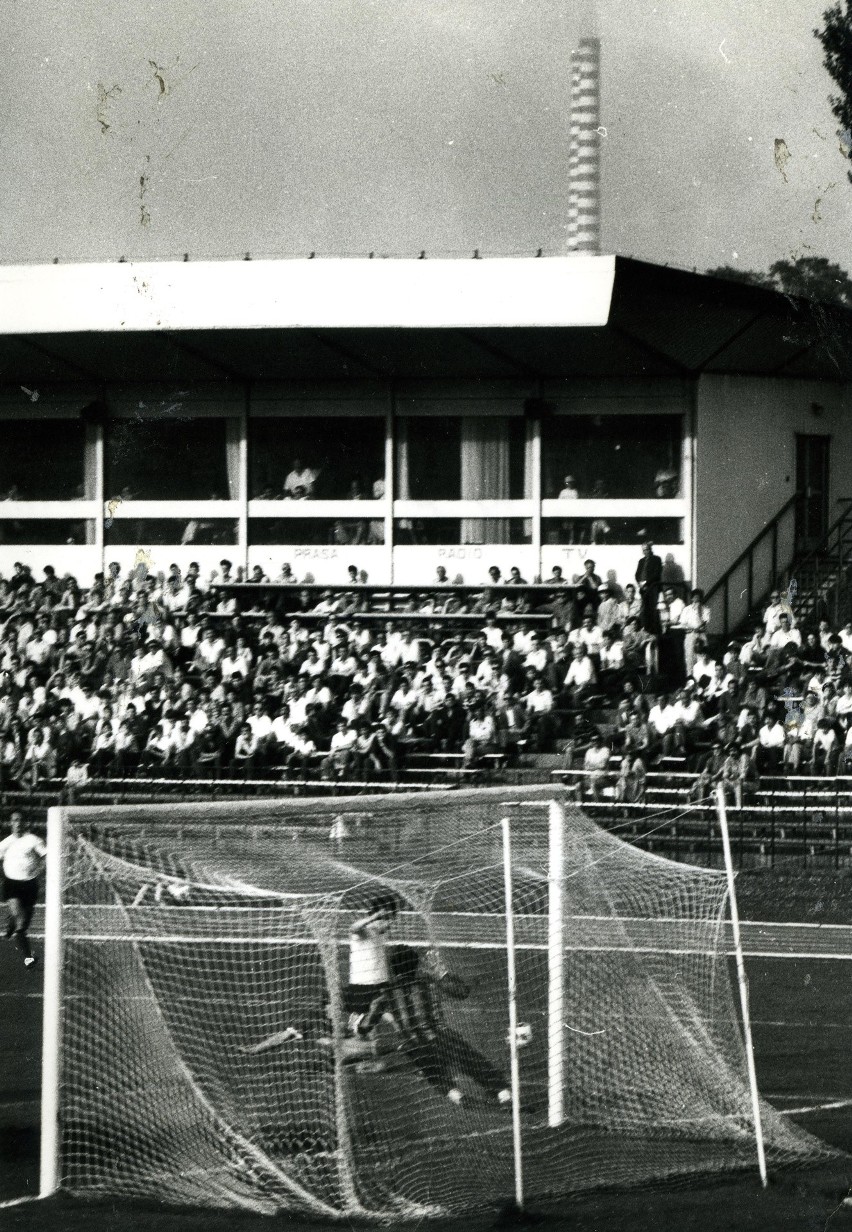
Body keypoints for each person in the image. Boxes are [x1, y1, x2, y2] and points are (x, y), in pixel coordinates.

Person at [386, 945, 511, 1108]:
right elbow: (462, 992)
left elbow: (364, 1026)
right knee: (475, 1063)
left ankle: (458, 1097)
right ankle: (504, 1095)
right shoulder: (428, 981)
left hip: (413, 1046)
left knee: (433, 1073)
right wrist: (441, 971)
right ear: (416, 965)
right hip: (441, 1037)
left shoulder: (386, 991)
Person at [346, 892, 399, 1037]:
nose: (391, 923)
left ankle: (399, 1032)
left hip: (381, 983)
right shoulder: (364, 932)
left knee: (381, 1017)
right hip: (363, 985)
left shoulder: (382, 932)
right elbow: (353, 928)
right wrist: (374, 917)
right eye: (389, 919)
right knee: (361, 1028)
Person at [0, 812, 46, 967]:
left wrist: (40, 870)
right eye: (14, 820)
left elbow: (45, 856)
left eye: (21, 820)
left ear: (25, 822)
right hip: (12, 884)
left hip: (30, 885)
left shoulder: (33, 840)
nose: (18, 823)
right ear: (10, 823)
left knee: (24, 922)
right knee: (21, 925)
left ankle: (12, 921)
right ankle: (28, 958)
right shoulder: (5, 843)